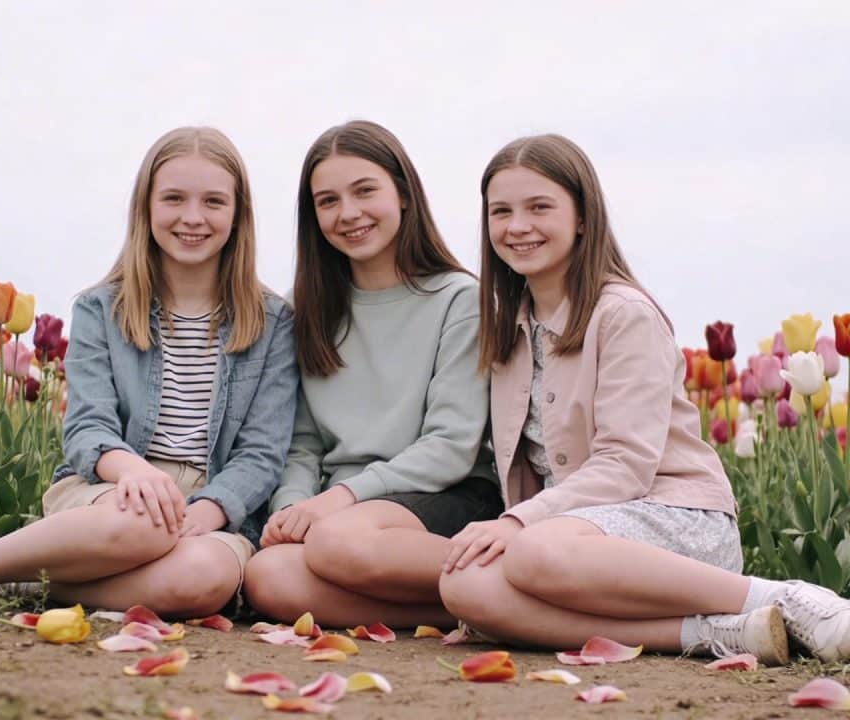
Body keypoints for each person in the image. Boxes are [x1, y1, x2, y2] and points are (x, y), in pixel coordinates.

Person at [438, 133, 850, 665]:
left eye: (539, 207)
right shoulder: (508, 329)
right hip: (573, 539)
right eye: (502, 211)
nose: (518, 226)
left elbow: (627, 465)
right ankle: (720, 632)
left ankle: (781, 598)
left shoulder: (622, 314)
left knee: (532, 550)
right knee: (464, 587)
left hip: (670, 520)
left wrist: (519, 522)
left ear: (583, 217)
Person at [0, 127, 298, 617]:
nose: (193, 217)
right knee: (145, 521)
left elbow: (262, 451)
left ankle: (23, 581)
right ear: (146, 208)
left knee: (203, 581)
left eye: (213, 201)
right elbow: (87, 428)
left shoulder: (274, 322)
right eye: (173, 199)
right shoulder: (101, 309)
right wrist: (137, 473)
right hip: (111, 488)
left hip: (218, 506)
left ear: (238, 214)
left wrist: (210, 508)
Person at [244, 120, 501, 627]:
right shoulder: (308, 309)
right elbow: (301, 443)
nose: (349, 214)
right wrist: (293, 507)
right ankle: (476, 609)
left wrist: (336, 501)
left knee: (339, 541)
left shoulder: (458, 299)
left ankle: (510, 585)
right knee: (268, 575)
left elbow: (450, 445)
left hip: (445, 494)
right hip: (342, 513)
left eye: (365, 191)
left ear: (403, 194)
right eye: (328, 201)